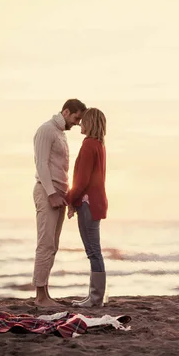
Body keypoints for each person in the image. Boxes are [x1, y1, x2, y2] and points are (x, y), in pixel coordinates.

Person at [32, 99, 86, 306]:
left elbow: (61, 168)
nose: (78, 123)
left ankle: (45, 292)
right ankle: (40, 296)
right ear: (65, 112)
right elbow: (41, 164)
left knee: (52, 245)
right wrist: (52, 193)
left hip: (59, 194)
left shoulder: (60, 133)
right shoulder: (46, 130)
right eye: (76, 118)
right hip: (47, 193)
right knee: (45, 244)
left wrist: (66, 195)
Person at [66, 108, 108, 307]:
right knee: (94, 251)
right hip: (94, 203)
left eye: (83, 122)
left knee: (93, 251)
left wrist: (70, 199)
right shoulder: (98, 144)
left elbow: (82, 180)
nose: (79, 125)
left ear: (89, 123)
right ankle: (93, 297)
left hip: (88, 204)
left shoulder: (89, 145)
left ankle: (96, 299)